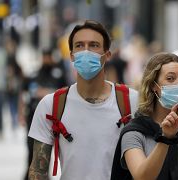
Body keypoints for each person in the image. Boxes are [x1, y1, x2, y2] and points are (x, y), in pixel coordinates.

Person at [27, 20, 138, 179]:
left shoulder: (132, 101)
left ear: (107, 55)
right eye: (79, 45)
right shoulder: (51, 105)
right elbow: (37, 172)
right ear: (71, 56)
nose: (86, 51)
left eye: (93, 45)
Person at [20, 48, 68, 180]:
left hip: (52, 120)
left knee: (46, 150)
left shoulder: (58, 75)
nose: (46, 60)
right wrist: (21, 114)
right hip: (33, 117)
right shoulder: (34, 74)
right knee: (31, 149)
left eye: (48, 57)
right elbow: (23, 93)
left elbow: (66, 93)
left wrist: (46, 92)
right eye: (44, 57)